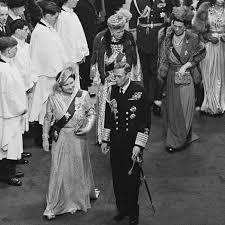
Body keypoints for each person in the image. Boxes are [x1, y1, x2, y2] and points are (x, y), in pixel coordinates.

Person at [42, 66, 99, 220]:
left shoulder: (83, 95)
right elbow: (47, 119)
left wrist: (87, 127)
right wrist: (45, 138)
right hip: (60, 138)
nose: (71, 87)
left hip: (78, 137)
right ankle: (53, 205)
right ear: (60, 85)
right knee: (58, 169)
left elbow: (92, 112)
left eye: (72, 83)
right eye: (66, 84)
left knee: (78, 167)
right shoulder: (53, 98)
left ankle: (77, 198)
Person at [101, 64, 150, 225]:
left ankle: (133, 212)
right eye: (114, 76)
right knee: (117, 178)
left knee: (132, 180)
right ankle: (121, 209)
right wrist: (106, 140)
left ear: (128, 74)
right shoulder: (113, 90)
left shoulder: (139, 92)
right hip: (116, 143)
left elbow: (145, 122)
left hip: (132, 144)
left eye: (119, 76)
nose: (116, 79)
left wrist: (139, 145)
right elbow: (109, 117)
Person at [158, 6, 206, 152]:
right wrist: (162, 72)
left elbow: (201, 54)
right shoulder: (167, 35)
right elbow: (163, 57)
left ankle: (181, 137)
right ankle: (175, 138)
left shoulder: (193, 37)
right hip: (171, 77)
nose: (177, 29)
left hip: (186, 77)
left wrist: (186, 66)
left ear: (186, 26)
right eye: (175, 25)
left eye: (180, 26)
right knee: (172, 109)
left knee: (185, 107)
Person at [29, 0, 71, 145]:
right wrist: (60, 72)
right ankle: (42, 139)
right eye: (54, 17)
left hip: (52, 75)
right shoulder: (41, 32)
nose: (56, 20)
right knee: (44, 109)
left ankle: (48, 134)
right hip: (46, 76)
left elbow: (58, 51)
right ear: (46, 15)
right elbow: (48, 57)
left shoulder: (48, 29)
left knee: (50, 108)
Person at [91, 12, 137, 144]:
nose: (121, 34)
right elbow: (96, 61)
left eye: (122, 30)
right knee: (106, 108)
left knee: (122, 106)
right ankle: (104, 137)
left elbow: (132, 60)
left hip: (122, 79)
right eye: (118, 32)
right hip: (107, 80)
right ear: (110, 30)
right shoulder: (100, 38)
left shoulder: (128, 38)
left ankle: (121, 134)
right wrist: (100, 75)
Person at [129, 0, 171, 116]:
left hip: (159, 38)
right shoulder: (137, 2)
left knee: (157, 70)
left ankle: (157, 101)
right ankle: (147, 99)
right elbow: (133, 22)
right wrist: (133, 42)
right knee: (145, 71)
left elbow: (169, 17)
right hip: (143, 39)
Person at [0, 36, 27, 186]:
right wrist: (20, 108)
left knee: (13, 143)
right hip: (8, 113)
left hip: (12, 112)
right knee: (7, 144)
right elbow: (8, 94)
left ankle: (10, 170)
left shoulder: (9, 64)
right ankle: (6, 174)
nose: (17, 50)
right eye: (15, 48)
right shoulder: (3, 69)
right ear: (9, 50)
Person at [192, 0, 225, 115]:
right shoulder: (204, 9)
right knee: (207, 75)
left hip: (223, 47)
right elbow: (197, 30)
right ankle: (208, 105)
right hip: (208, 46)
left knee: (220, 76)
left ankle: (219, 105)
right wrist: (208, 37)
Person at [55, 0, 89, 90]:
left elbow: (79, 35)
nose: (77, 0)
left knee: (76, 83)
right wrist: (76, 55)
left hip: (75, 57)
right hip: (68, 58)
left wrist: (82, 52)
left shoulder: (72, 14)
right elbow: (64, 40)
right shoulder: (61, 16)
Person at [74, 0, 99, 90]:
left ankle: (89, 90)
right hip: (86, 40)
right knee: (85, 71)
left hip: (89, 40)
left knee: (89, 69)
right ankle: (87, 91)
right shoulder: (80, 5)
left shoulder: (85, 3)